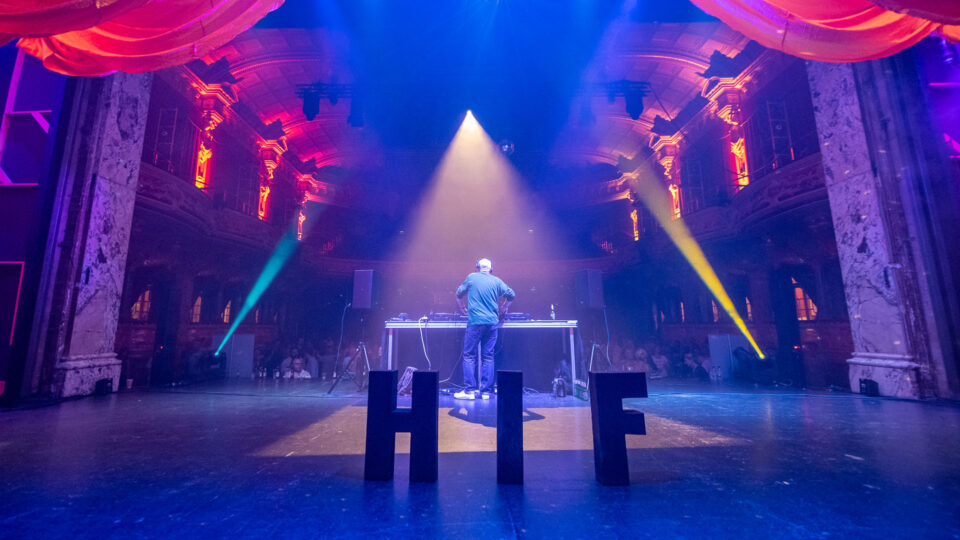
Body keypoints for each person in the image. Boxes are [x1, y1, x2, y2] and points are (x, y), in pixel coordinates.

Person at [454, 257, 515, 400]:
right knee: (488, 356)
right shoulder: (496, 281)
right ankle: (486, 392)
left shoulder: (471, 277)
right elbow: (511, 295)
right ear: (491, 269)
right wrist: (504, 308)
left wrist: (462, 308)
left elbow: (458, 294)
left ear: (477, 268)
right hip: (492, 323)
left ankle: (469, 391)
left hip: (475, 322)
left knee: (469, 355)